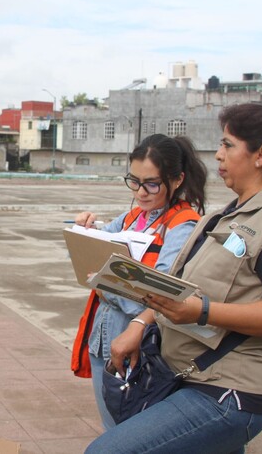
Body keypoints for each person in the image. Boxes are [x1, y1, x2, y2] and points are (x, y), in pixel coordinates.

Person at [85, 103, 262, 454]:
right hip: (182, 375)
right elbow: (179, 288)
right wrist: (140, 323)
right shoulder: (220, 218)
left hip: (227, 390)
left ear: (261, 155)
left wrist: (202, 312)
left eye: (227, 145)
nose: (218, 154)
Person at [71, 134, 207, 430]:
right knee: (112, 428)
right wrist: (86, 229)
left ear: (177, 179)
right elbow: (96, 248)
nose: (141, 192)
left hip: (139, 346)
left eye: (152, 184)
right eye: (134, 181)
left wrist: (105, 286)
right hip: (104, 340)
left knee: (131, 435)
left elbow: (158, 293)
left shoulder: (182, 225)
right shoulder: (132, 217)